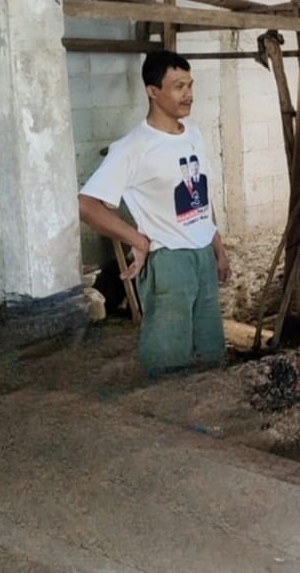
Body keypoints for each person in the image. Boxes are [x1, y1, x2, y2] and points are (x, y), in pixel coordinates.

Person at [79, 50, 231, 377]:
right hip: (169, 262)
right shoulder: (134, 147)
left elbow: (199, 200)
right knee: (169, 357)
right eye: (178, 86)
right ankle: (166, 418)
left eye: (190, 85)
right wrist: (138, 239)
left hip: (202, 256)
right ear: (152, 91)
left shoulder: (194, 135)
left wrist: (217, 248)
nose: (188, 94)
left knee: (209, 351)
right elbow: (87, 204)